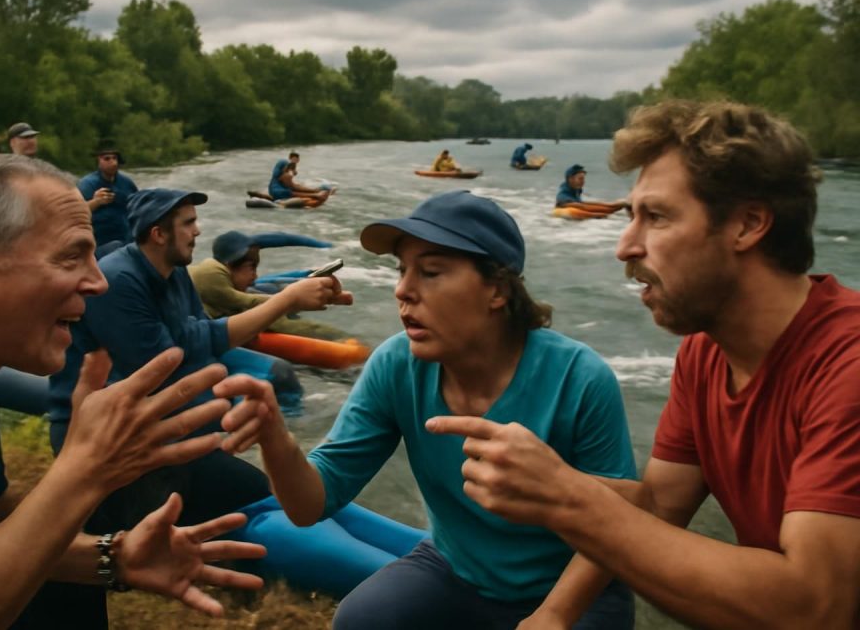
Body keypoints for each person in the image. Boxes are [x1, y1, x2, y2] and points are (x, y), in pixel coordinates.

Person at [428, 101, 860, 628]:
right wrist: (555, 610)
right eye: (631, 215)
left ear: (748, 224)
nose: (625, 246)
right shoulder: (705, 352)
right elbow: (656, 507)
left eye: (655, 217)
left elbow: (816, 608)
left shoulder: (848, 363)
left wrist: (568, 498)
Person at [0, 154, 267, 630]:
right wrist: (84, 473)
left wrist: (113, 557)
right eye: (72, 256)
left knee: (56, 581)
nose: (99, 281)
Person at [219, 189, 637, 629]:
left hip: (571, 589)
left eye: (431, 272)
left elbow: (620, 525)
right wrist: (276, 439)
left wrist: (552, 616)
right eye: (403, 271)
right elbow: (309, 507)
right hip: (456, 568)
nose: (403, 290)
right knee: (359, 620)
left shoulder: (579, 378)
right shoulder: (397, 366)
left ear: (497, 288)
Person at [48, 189, 421, 597]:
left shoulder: (173, 275)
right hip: (126, 462)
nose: (198, 230)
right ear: (158, 233)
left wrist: (289, 303)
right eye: (188, 223)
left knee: (291, 499)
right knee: (258, 517)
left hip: (177, 444)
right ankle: (424, 587)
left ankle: (442, 554)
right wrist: (283, 301)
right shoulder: (119, 280)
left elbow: (199, 336)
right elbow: (169, 358)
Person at [190, 230, 351, 341]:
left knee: (267, 287)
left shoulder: (224, 268)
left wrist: (320, 249)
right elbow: (249, 303)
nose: (255, 275)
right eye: (251, 268)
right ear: (231, 264)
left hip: (238, 300)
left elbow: (280, 238)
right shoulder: (211, 276)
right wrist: (291, 299)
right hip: (214, 325)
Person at [78, 140, 138, 247]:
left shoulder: (126, 182)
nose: (113, 162)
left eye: (114, 158)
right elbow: (76, 213)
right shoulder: (87, 184)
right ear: (99, 161)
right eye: (107, 159)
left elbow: (138, 206)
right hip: (99, 241)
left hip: (126, 237)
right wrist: (96, 202)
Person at [555, 164, 628, 217]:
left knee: (612, 207)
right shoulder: (563, 195)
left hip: (577, 207)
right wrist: (603, 213)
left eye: (583, 179)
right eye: (580, 179)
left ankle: (620, 204)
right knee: (611, 209)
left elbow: (581, 203)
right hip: (567, 212)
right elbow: (581, 206)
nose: (583, 181)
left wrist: (612, 205)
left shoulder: (575, 189)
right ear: (570, 179)